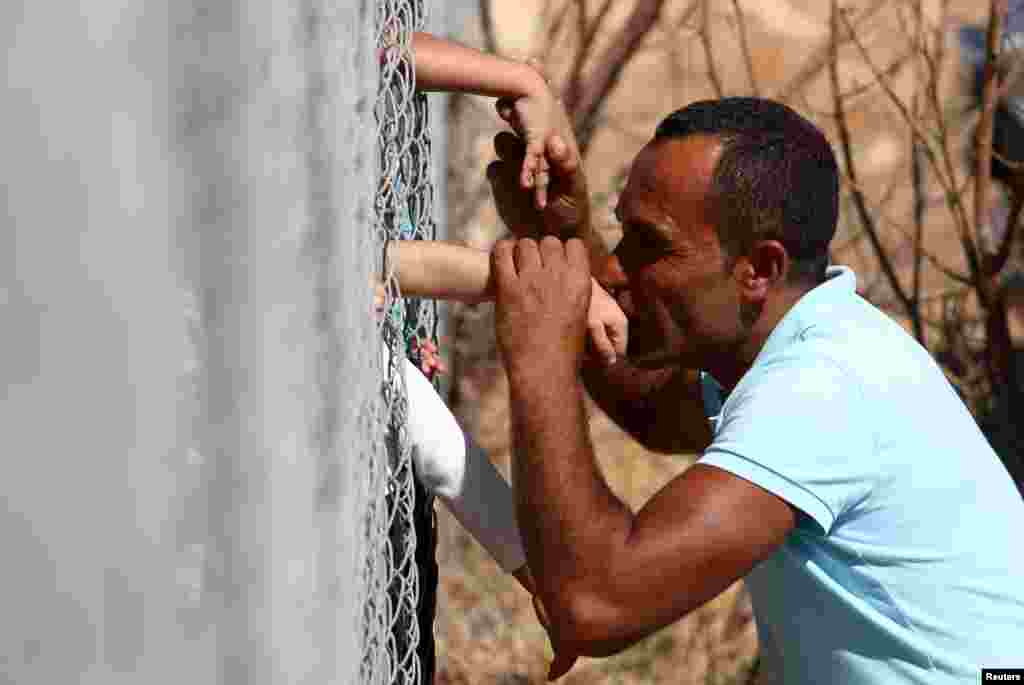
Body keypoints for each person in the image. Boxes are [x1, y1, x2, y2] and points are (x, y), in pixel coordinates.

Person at [484, 96, 1024, 683]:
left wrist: (542, 358)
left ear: (759, 270)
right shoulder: (808, 345)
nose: (613, 270)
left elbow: (595, 606)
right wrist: (559, 235)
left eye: (650, 244)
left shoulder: (825, 387)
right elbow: (660, 412)